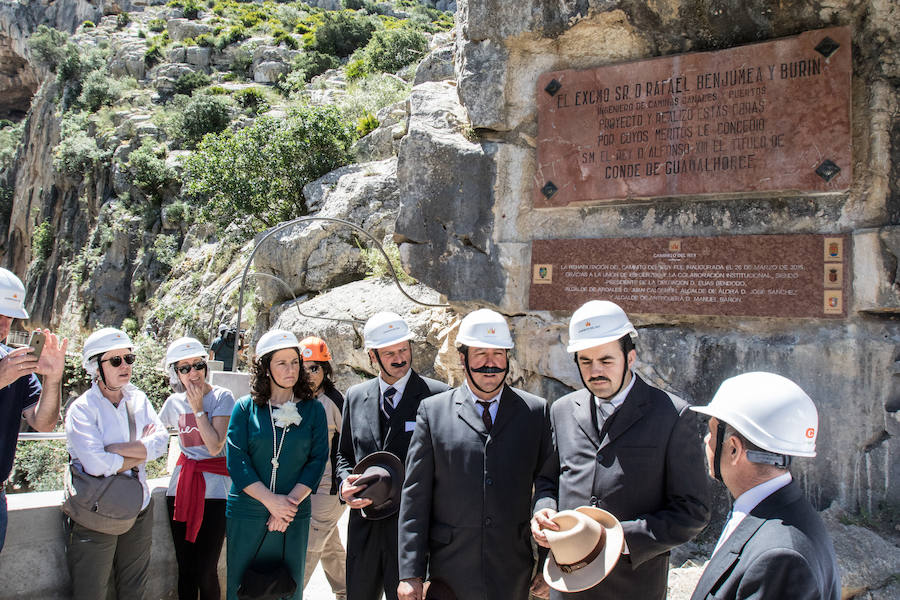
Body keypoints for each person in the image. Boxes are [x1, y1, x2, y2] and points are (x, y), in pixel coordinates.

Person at [532, 300, 710, 599]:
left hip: (633, 585)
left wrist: (615, 539)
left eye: (606, 360)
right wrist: (543, 510)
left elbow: (692, 512)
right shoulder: (562, 411)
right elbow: (548, 480)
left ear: (630, 357)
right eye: (585, 361)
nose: (595, 370)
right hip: (567, 582)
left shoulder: (671, 415)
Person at [398, 309, 553, 600]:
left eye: (498, 354)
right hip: (449, 570)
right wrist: (410, 572)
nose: (490, 364)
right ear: (462, 358)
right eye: (480, 354)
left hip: (512, 569)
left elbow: (547, 487)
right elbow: (415, 496)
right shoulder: (433, 412)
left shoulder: (535, 412)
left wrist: (547, 564)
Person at [688, 372, 841, 600]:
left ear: (733, 449)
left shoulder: (781, 557)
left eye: (711, 431)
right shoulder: (776, 514)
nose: (706, 440)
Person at [336, 312, 448, 600]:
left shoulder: (437, 397)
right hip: (365, 525)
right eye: (389, 353)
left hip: (412, 532)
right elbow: (344, 455)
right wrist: (344, 485)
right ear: (373, 357)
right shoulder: (355, 396)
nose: (400, 358)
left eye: (403, 349)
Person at [65, 327, 169, 599]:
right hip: (96, 511)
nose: (125, 366)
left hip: (140, 506)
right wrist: (139, 453)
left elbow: (160, 443)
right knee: (91, 590)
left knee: (133, 588)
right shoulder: (82, 409)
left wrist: (115, 451)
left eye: (128, 359)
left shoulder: (139, 400)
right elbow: (95, 465)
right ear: (96, 366)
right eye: (115, 360)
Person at [225, 329, 328, 600]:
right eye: (281, 363)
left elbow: (317, 460)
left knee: (287, 589)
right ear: (265, 367)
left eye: (295, 362)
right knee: (243, 588)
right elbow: (237, 461)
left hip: (293, 514)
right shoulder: (245, 408)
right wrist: (272, 503)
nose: (290, 369)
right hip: (248, 511)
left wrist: (287, 507)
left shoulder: (314, 409)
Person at [159, 337, 236, 600]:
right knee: (186, 570)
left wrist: (198, 409)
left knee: (206, 569)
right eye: (185, 368)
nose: (193, 373)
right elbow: (154, 438)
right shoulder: (172, 404)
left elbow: (215, 446)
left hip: (216, 493)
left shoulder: (222, 397)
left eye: (198, 365)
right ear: (176, 373)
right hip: (181, 490)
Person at [0, 267, 67, 552]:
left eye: (10, 317)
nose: (4, 325)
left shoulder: (15, 364)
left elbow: (43, 423)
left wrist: (53, 378)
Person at [299, 336, 347, 600]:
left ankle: (289, 594)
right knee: (329, 546)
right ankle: (348, 591)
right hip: (305, 487)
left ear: (325, 369)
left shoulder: (334, 402)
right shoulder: (297, 399)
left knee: (308, 547)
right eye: (303, 367)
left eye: (314, 368)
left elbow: (352, 442)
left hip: (326, 489)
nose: (308, 374)